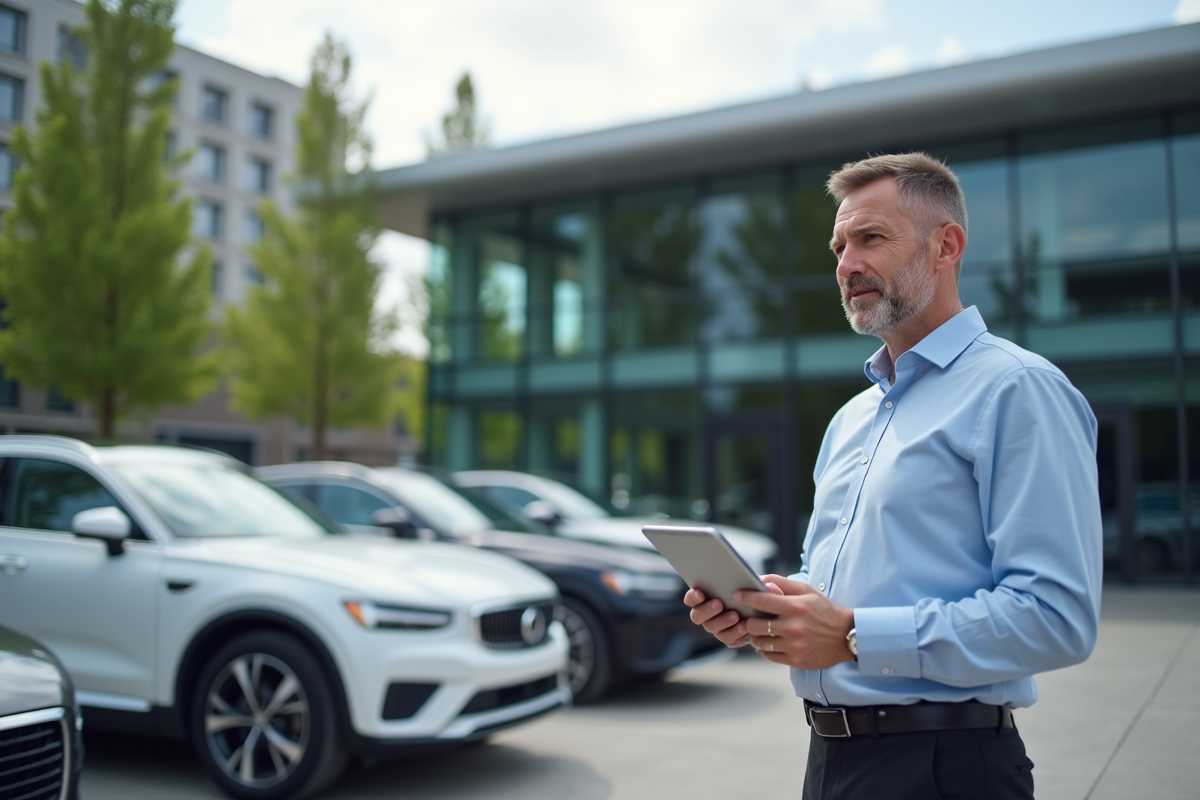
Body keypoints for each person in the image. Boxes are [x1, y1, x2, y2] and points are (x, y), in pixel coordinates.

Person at [686, 152, 1102, 800]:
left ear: (947, 246)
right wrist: (771, 608)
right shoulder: (851, 418)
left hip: (945, 769)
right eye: (839, 246)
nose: (846, 265)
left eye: (870, 238)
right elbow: (839, 585)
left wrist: (851, 635)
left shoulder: (1017, 391)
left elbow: (1056, 617)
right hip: (830, 760)